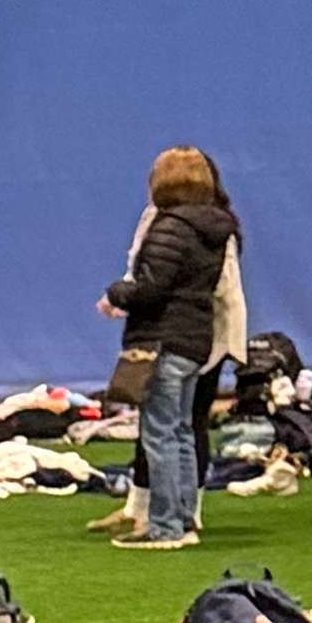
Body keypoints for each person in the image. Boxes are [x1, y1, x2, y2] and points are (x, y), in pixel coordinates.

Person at [103, 149, 241, 549]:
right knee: (181, 431)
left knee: (160, 433)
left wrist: (117, 292)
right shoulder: (217, 230)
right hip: (195, 340)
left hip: (162, 337)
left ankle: (164, 527)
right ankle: (183, 519)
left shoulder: (169, 227)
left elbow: (151, 288)